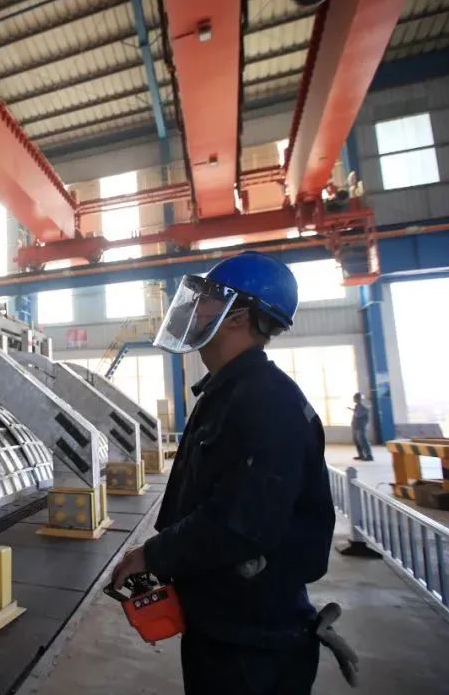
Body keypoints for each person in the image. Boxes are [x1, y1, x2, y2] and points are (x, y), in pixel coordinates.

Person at [110, 251, 337, 694]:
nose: (195, 306)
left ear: (239, 317)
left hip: (253, 643)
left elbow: (243, 523)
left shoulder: (266, 402)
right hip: (224, 622)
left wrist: (155, 555)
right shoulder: (228, 393)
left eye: (209, 297)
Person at [350, 393, 373, 461]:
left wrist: (353, 410)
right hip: (355, 426)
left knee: (363, 441)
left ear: (359, 399)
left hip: (361, 426)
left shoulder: (364, 406)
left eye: (355, 398)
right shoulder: (357, 406)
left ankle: (369, 455)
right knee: (356, 441)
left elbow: (358, 414)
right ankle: (361, 455)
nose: (354, 399)